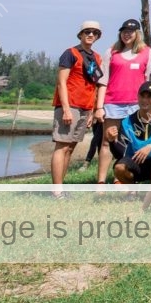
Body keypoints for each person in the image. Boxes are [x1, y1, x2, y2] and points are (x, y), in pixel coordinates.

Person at [51, 20, 105, 199]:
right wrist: (65, 109)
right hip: (69, 105)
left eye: (94, 33)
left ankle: (61, 187)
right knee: (62, 146)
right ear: (80, 35)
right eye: (87, 32)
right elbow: (61, 82)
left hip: (85, 108)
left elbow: (95, 85)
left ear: (98, 37)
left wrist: (91, 111)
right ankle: (56, 190)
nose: (91, 35)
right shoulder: (70, 53)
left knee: (70, 148)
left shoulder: (96, 58)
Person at [96, 18, 151, 185]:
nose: (127, 34)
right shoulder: (111, 52)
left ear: (138, 34)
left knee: (130, 142)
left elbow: (148, 78)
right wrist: (99, 107)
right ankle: (100, 182)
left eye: (131, 31)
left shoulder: (146, 52)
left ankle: (121, 178)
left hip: (136, 104)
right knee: (108, 141)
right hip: (113, 102)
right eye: (124, 31)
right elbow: (103, 80)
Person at [113, 81, 151, 184]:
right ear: (137, 97)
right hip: (136, 162)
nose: (145, 100)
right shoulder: (127, 122)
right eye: (142, 96)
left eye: (149, 97)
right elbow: (120, 154)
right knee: (119, 168)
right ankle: (132, 188)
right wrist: (111, 141)